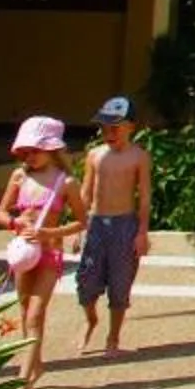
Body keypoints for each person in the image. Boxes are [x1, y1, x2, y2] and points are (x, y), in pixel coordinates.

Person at [0, 116, 85, 389]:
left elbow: (82, 221)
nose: (29, 156)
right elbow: (0, 213)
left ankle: (21, 386)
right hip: (23, 253)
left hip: (48, 255)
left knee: (34, 315)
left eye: (36, 150)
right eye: (25, 151)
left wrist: (49, 233)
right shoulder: (19, 177)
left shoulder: (66, 182)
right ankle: (37, 364)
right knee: (25, 313)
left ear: (52, 149)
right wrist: (14, 223)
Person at [75, 96, 151, 357]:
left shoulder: (139, 157)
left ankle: (113, 337)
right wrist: (78, 228)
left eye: (115, 128)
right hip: (96, 223)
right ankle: (91, 319)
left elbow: (145, 197)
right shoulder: (95, 155)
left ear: (131, 127)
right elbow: (86, 193)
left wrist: (142, 232)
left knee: (120, 283)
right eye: (105, 128)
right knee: (86, 282)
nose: (109, 134)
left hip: (124, 224)